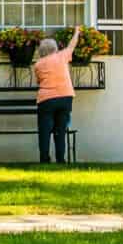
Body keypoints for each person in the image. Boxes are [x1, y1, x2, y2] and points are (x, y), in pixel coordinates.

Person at [32, 25, 79, 163]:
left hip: (46, 100)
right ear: (55, 49)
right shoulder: (62, 56)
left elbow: (39, 81)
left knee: (45, 131)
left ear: (41, 51)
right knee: (60, 130)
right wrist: (77, 32)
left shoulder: (38, 64)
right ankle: (60, 159)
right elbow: (72, 45)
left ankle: (44, 159)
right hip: (65, 97)